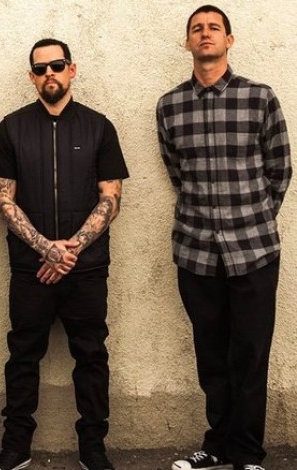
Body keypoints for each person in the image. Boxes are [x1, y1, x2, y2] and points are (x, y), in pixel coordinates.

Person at [157, 5, 291, 470]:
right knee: (211, 356)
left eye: (214, 27)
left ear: (229, 40)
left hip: (254, 250)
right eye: (197, 28)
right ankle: (217, 446)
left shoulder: (260, 97)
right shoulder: (170, 105)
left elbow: (279, 168)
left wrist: (253, 219)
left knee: (251, 355)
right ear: (187, 43)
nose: (205, 34)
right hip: (196, 251)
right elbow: (176, 171)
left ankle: (248, 454)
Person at [0, 39, 129, 470]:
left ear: (72, 69)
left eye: (57, 64)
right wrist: (47, 249)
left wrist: (71, 250)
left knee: (91, 355)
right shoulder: (11, 128)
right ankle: (16, 447)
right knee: (23, 355)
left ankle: (93, 448)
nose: (50, 72)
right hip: (31, 268)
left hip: (87, 269)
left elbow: (111, 198)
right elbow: (3, 199)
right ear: (31, 77)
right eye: (40, 68)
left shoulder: (99, 127)